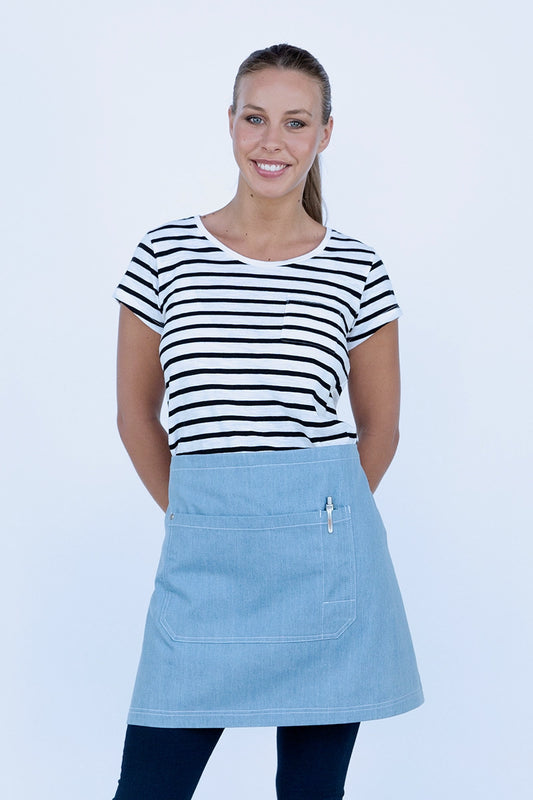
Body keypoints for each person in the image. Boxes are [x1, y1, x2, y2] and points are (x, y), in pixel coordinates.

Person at [111, 43, 423, 800]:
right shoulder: (164, 255)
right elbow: (135, 415)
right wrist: (199, 514)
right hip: (204, 562)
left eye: (295, 122)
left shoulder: (357, 268)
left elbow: (380, 429)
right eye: (255, 118)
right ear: (229, 123)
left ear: (324, 134)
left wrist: (318, 521)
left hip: (324, 572)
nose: (271, 142)